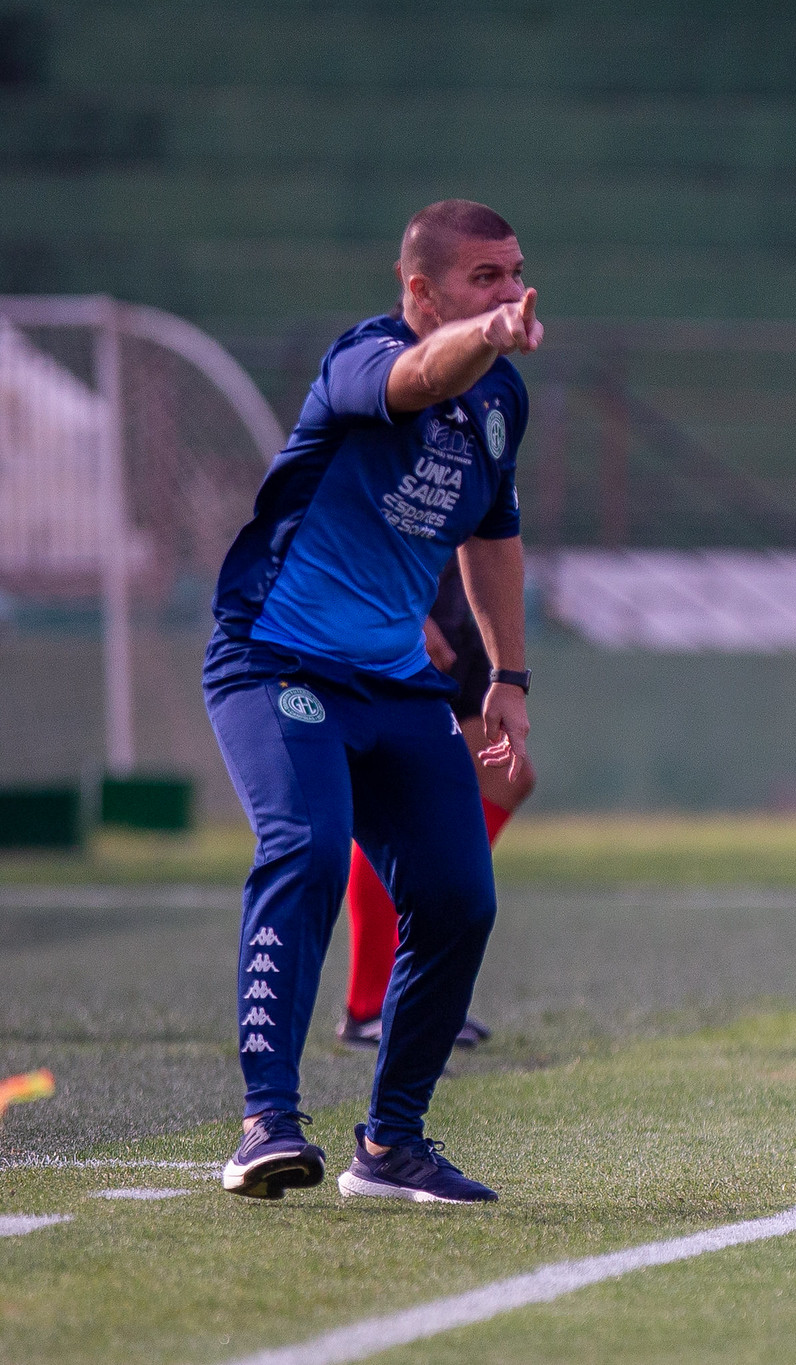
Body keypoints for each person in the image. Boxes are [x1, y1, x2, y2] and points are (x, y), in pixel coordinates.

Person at [204, 199, 538, 1204]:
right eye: (484, 279)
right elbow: (415, 377)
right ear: (418, 292)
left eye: (515, 274)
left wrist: (508, 680)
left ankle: (390, 1147)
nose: (509, 292)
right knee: (305, 847)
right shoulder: (366, 356)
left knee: (458, 897)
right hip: (276, 662)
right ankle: (266, 1122)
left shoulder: (500, 402)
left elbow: (491, 540)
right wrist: (482, 335)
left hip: (397, 683)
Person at [336, 557, 537, 1052]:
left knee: (505, 780)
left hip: (458, 608)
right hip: (405, 608)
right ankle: (368, 1006)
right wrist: (403, 613)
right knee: (397, 796)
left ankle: (420, 990)